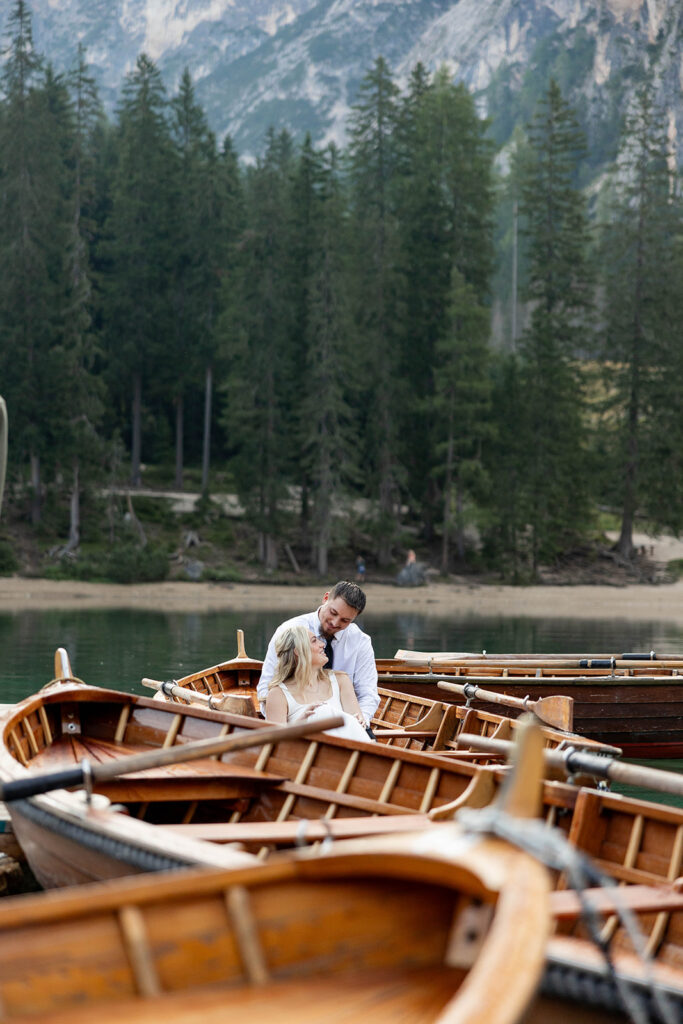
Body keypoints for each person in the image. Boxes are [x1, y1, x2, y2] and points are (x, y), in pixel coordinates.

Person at [257, 580, 379, 726]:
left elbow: (367, 694)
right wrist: (289, 726)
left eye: (345, 620)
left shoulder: (360, 642)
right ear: (326, 598)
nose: (335, 622)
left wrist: (359, 723)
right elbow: (267, 687)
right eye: (333, 613)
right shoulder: (290, 631)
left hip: (346, 724)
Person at [265, 624, 370, 742]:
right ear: (298, 651)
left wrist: (359, 722)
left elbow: (357, 724)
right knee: (320, 712)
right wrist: (300, 725)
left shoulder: (341, 680)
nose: (322, 644)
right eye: (314, 641)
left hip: (346, 749)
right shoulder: (278, 694)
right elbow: (275, 745)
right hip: (305, 755)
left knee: (323, 711)